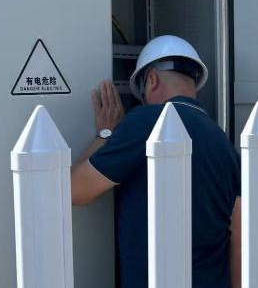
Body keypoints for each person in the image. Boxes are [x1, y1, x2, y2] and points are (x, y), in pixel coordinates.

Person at [71, 35, 241, 288]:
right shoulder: (223, 143)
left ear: (151, 80)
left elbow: (74, 190)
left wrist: (105, 134)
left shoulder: (145, 121)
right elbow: (239, 238)